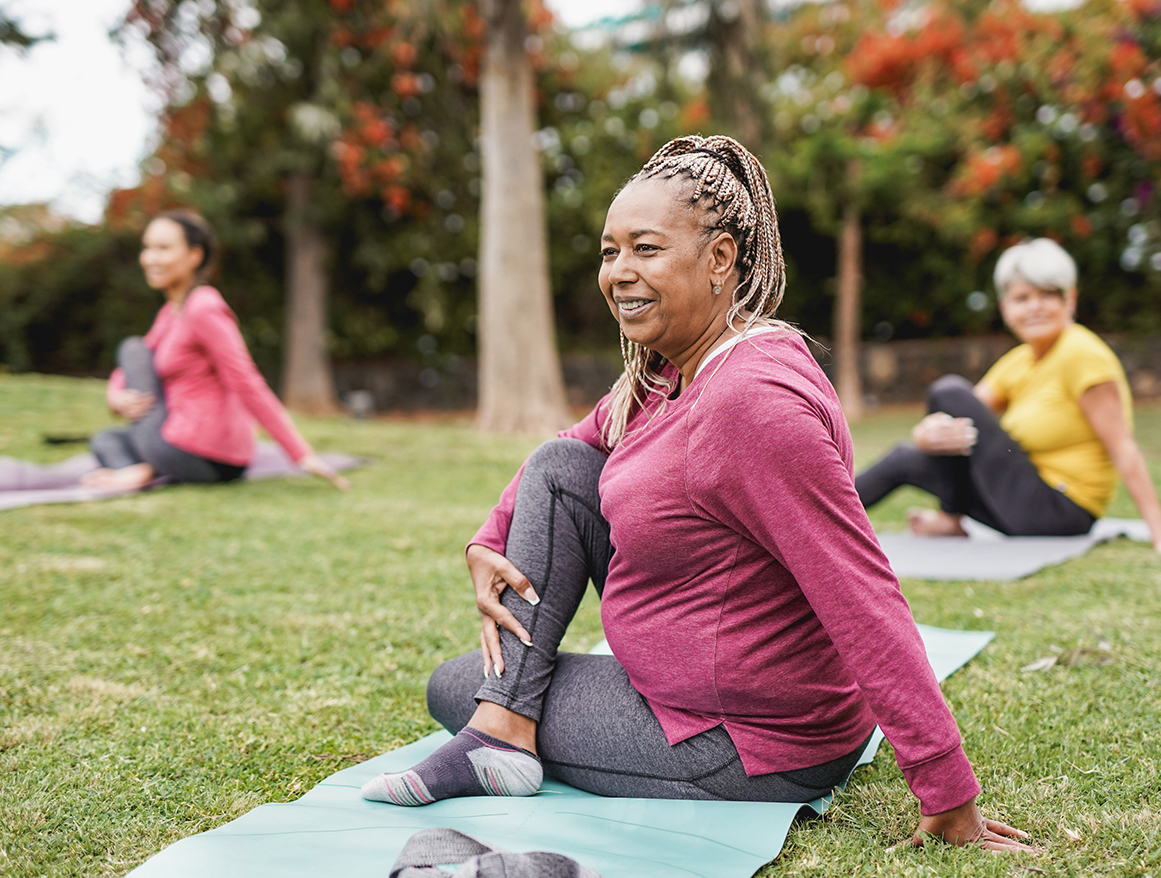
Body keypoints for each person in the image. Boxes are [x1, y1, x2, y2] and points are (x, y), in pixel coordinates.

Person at [361, 136, 1034, 852]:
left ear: (719, 259)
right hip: (698, 697)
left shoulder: (751, 402)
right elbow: (570, 448)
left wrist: (947, 791)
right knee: (560, 471)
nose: (619, 272)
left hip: (746, 742)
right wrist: (487, 538)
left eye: (645, 249)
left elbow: (860, 591)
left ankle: (501, 727)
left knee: (452, 684)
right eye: (609, 251)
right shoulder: (670, 370)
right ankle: (503, 727)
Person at [854, 238, 1161, 556]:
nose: (1035, 307)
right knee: (905, 456)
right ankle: (810, 530)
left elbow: (1122, 446)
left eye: (1047, 295)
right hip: (1017, 501)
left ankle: (950, 518)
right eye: (1022, 298)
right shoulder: (1020, 360)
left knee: (947, 389)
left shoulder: (1082, 354)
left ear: (1070, 299)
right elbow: (962, 415)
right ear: (1006, 307)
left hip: (1060, 509)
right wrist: (925, 434)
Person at [82, 210, 348, 492]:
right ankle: (142, 469)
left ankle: (143, 468)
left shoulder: (203, 307)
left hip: (200, 452)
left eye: (163, 248)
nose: (150, 258)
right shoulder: (171, 313)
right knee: (105, 440)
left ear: (194, 256)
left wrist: (301, 453)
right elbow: (133, 366)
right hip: (183, 446)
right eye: (147, 248)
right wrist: (115, 397)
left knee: (132, 347)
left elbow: (247, 381)